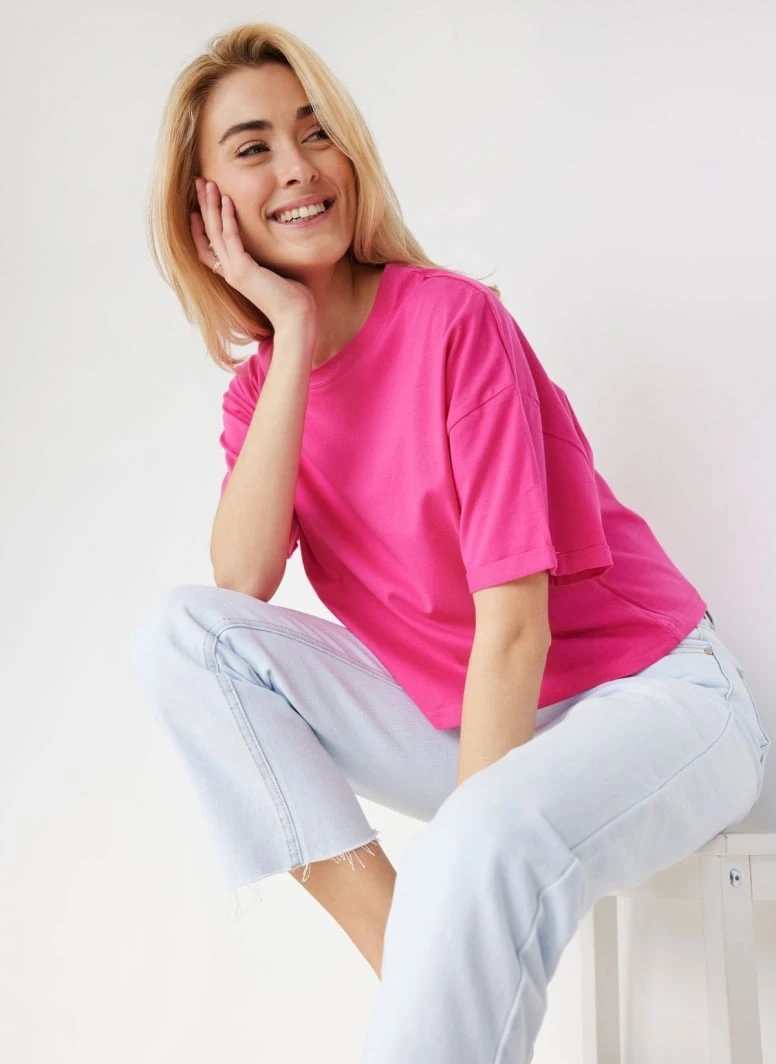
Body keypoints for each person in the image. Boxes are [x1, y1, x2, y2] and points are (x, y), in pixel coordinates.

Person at [129, 22, 771, 1064]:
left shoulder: (453, 323)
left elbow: (514, 631)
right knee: (183, 638)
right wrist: (291, 336)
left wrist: (471, 844)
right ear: (206, 206)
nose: (297, 166)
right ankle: (414, 961)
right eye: (253, 148)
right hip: (466, 714)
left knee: (488, 838)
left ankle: (432, 988)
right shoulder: (261, 397)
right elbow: (240, 581)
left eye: (316, 132)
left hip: (657, 699)